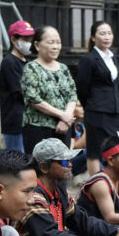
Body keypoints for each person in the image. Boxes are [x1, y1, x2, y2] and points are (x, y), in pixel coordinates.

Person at [20, 25, 77, 155]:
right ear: (37, 45)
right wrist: (62, 115)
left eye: (58, 42)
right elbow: (33, 99)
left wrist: (66, 118)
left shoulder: (63, 68)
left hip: (63, 127)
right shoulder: (31, 68)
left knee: (63, 167)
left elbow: (72, 95)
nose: (55, 46)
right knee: (40, 167)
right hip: (39, 128)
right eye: (51, 42)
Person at [76, 21, 119, 175]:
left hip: (113, 110)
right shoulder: (89, 59)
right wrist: (89, 105)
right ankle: (95, 185)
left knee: (117, 146)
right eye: (102, 33)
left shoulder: (112, 57)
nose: (106, 37)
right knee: (95, 150)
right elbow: (82, 87)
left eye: (109, 33)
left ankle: (114, 183)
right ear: (92, 37)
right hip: (96, 110)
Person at [0, 20, 34, 152]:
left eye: (30, 38)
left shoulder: (28, 62)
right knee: (17, 165)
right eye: (25, 39)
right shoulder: (9, 62)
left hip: (29, 122)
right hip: (15, 123)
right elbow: (22, 91)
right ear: (14, 39)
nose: (29, 43)